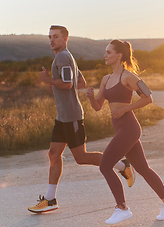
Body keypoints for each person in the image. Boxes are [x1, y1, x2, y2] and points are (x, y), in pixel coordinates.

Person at [28, 26, 135, 213]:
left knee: (81, 157)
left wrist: (49, 80)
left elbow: (68, 84)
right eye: (50, 37)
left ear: (65, 38)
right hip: (63, 117)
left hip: (72, 117)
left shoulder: (62, 57)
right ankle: (50, 199)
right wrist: (56, 85)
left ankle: (121, 164)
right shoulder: (65, 57)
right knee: (54, 155)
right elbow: (80, 83)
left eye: (56, 37)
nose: (51, 40)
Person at [85, 39, 164, 224]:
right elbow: (97, 107)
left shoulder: (129, 77)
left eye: (108, 52)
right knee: (143, 168)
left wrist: (126, 109)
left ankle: (122, 208)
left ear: (118, 55)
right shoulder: (106, 79)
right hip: (121, 129)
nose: (105, 55)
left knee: (105, 165)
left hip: (129, 128)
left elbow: (148, 97)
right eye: (105, 52)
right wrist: (90, 97)